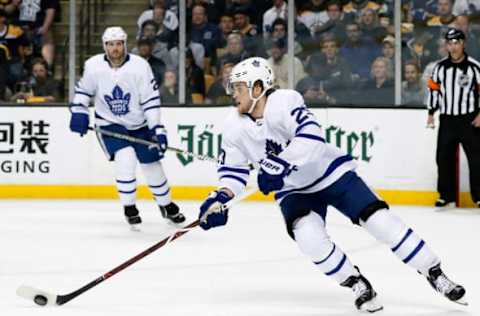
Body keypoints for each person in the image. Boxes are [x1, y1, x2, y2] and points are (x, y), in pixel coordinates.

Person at [197, 57, 467, 312]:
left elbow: (312, 136)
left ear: (258, 87)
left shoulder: (284, 101)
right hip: (293, 189)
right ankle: (356, 283)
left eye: (239, 87)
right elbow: (233, 173)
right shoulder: (232, 126)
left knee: (379, 221)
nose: (233, 93)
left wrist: (280, 163)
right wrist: (221, 197)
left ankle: (435, 273)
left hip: (330, 172)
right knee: (309, 238)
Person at [69, 26, 185, 228]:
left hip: (139, 124)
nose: (115, 48)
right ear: (105, 46)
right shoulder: (93, 66)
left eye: (118, 44)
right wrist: (79, 111)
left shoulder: (139, 66)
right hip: (109, 125)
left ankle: (166, 205)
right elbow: (83, 92)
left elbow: (150, 100)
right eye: (111, 44)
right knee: (126, 159)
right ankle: (129, 207)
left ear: (124, 44)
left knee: (153, 166)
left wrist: (156, 128)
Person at [427, 28, 480, 208]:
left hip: (470, 119)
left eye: (457, 42)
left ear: (463, 43)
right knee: (443, 157)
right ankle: (446, 195)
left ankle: (479, 196)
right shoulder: (440, 67)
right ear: (446, 45)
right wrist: (431, 114)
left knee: (476, 158)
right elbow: (434, 90)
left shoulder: (474, 67)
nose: (453, 46)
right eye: (450, 43)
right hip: (447, 119)